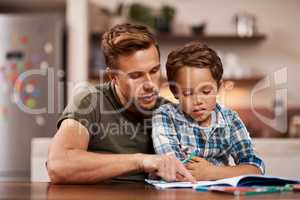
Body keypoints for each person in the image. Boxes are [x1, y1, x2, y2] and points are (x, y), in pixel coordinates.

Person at [47, 23, 195, 184]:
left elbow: (202, 167)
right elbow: (59, 165)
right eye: (136, 75)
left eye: (154, 71)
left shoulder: (169, 112)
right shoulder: (90, 102)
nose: (149, 84)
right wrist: (140, 161)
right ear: (112, 77)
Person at [152, 42, 265, 181]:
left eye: (206, 91)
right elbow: (174, 169)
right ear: (174, 91)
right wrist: (230, 171)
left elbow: (256, 169)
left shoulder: (230, 120)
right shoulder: (165, 116)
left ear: (219, 87)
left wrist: (212, 172)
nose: (198, 101)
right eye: (187, 93)